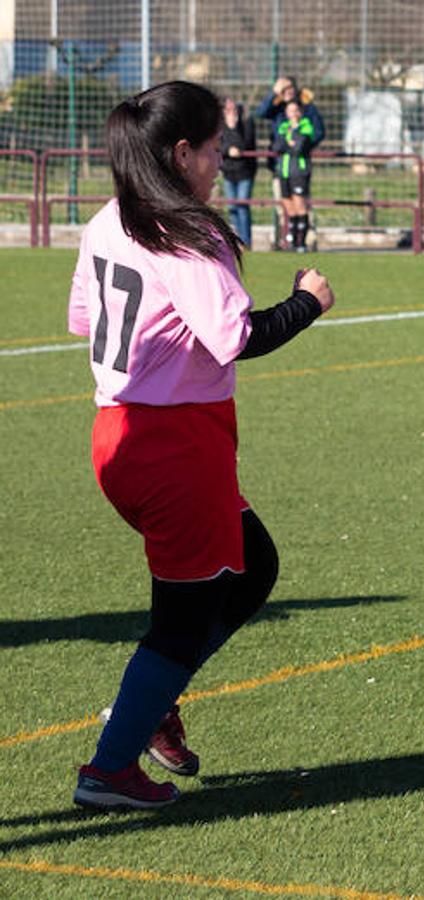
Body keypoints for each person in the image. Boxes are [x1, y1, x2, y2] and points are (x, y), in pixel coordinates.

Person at [66, 80, 336, 810]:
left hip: (124, 432)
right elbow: (236, 337)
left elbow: (83, 318)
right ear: (182, 153)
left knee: (252, 570)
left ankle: (150, 708)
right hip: (172, 442)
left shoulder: (107, 220)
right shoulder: (183, 230)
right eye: (215, 145)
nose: (224, 157)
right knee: (181, 621)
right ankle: (111, 767)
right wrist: (309, 299)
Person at [272, 99, 317, 252]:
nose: (293, 114)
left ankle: (301, 242)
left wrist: (288, 143)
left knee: (300, 206)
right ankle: (291, 239)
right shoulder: (283, 127)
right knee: (289, 207)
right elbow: (276, 147)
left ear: (300, 112)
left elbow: (300, 147)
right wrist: (288, 142)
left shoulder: (306, 126)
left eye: (295, 110)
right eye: (290, 110)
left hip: (299, 171)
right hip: (283, 171)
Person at [219, 97, 257, 247]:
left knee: (242, 206)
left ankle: (246, 241)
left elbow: (245, 144)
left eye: (234, 109)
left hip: (244, 172)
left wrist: (234, 128)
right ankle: (238, 240)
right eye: (227, 110)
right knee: (232, 208)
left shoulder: (246, 124)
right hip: (228, 172)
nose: (231, 113)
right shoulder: (220, 127)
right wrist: (228, 149)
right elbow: (218, 145)